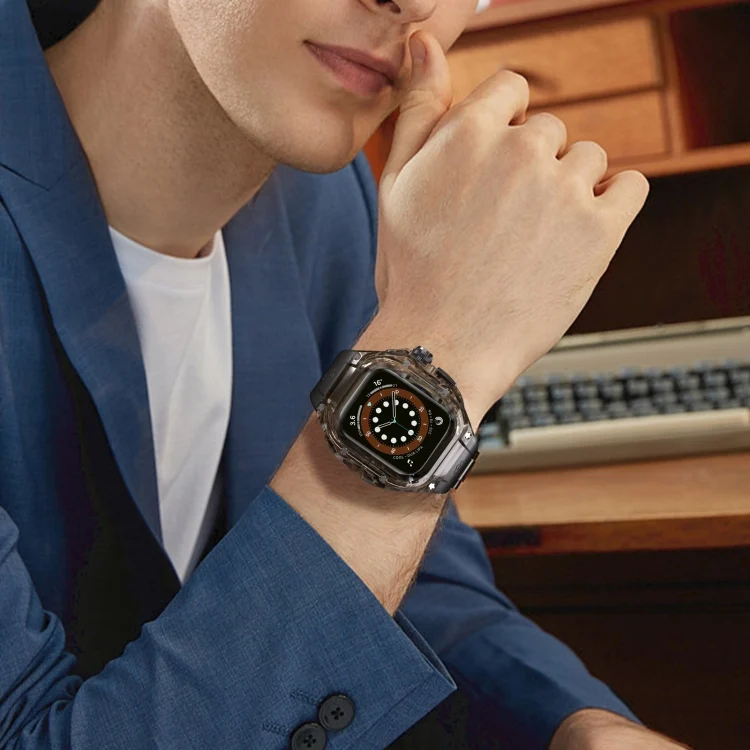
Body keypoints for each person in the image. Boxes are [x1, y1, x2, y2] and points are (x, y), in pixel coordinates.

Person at [0, 0, 690, 747]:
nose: (416, 4)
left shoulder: (326, 199)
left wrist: (576, 726)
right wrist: (436, 351)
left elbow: (406, 583)